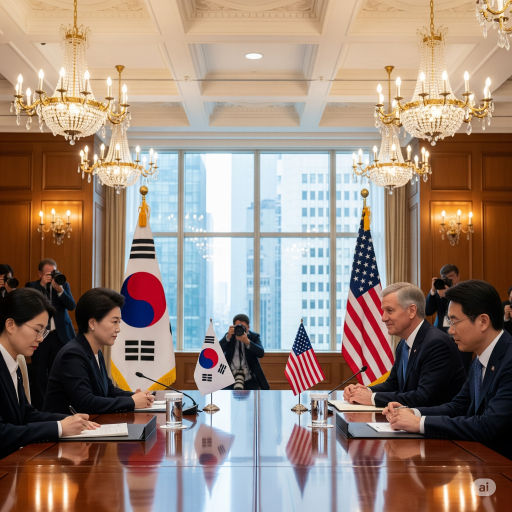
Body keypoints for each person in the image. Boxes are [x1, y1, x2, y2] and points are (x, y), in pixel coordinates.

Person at [384, 280, 512, 460]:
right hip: (480, 458)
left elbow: (488, 425)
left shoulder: (508, 360)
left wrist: (420, 423)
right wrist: (413, 412)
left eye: (454, 321)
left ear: (483, 321)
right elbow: (458, 406)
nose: (450, 330)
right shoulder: (480, 358)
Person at [0, 288, 98, 459]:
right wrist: (59, 428)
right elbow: (2, 433)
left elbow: (26, 414)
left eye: (43, 331)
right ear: (10, 325)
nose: (40, 338)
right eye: (37, 330)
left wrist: (69, 420)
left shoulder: (13, 363)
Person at [344, 282, 465, 408]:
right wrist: (364, 391)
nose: (383, 318)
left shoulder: (436, 343)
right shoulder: (403, 344)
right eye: (383, 311)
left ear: (412, 311)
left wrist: (372, 398)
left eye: (389, 310)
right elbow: (393, 384)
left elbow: (424, 397)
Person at [43, 287, 154, 414]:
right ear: (92, 323)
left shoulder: (95, 351)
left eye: (119, 322)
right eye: (114, 322)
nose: (118, 329)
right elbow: (85, 402)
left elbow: (109, 391)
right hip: (67, 425)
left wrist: (136, 397)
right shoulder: (72, 354)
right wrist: (132, 402)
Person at [26, 258, 76, 408]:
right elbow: (30, 307)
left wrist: (60, 290)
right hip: (40, 336)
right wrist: (42, 287)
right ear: (40, 274)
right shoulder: (32, 286)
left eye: (53, 272)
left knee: (61, 371)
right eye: (48, 273)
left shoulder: (62, 285)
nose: (51, 276)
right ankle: (41, 407)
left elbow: (71, 305)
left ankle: (60, 405)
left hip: (60, 335)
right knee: (39, 372)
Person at [219, 314, 269, 390]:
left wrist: (248, 342)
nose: (240, 329)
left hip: (249, 378)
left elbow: (261, 353)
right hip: (229, 379)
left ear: (248, 327)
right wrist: (228, 337)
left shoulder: (254, 337)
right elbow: (217, 351)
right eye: (237, 327)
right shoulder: (229, 336)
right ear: (233, 327)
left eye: (243, 327)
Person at [425, 263, 460, 332]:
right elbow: (428, 311)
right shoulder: (439, 291)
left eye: (451, 276)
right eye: (445, 278)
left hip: (457, 329)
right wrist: (433, 291)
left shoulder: (463, 291)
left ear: (458, 276)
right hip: (440, 331)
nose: (448, 280)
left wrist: (449, 294)